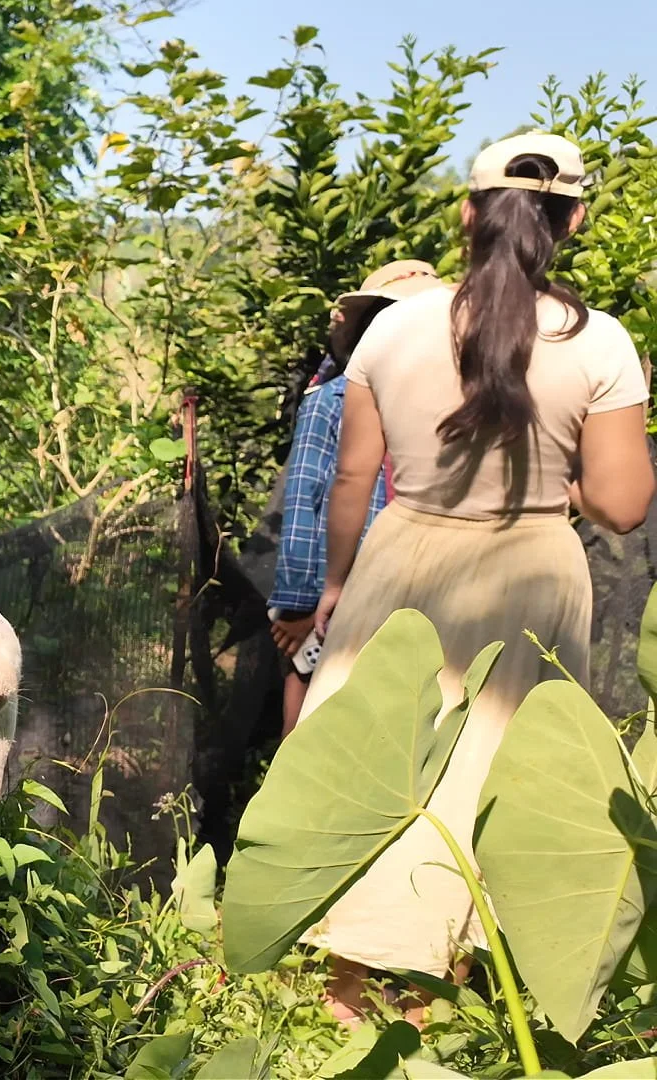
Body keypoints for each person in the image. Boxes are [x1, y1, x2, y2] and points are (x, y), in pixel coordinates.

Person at [299, 130, 655, 1026]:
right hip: (533, 567)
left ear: (466, 213)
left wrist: (335, 585)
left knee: (376, 753)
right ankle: (448, 994)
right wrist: (561, 480)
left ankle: (344, 992)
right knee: (494, 768)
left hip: (401, 556)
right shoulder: (601, 341)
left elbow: (352, 479)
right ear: (571, 220)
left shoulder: (392, 328)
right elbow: (622, 507)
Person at [270, 260, 445, 736]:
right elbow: (305, 501)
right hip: (345, 592)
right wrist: (302, 604)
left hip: (403, 587)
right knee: (311, 718)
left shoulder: (446, 402)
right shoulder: (333, 400)